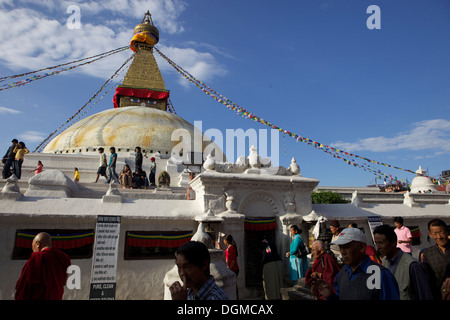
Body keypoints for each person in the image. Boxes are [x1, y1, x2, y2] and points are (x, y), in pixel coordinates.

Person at [314, 227, 400, 300]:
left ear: (361, 247)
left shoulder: (381, 275)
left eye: (347, 247)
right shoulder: (342, 274)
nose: (343, 252)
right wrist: (331, 296)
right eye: (341, 247)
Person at [373, 224, 433, 300]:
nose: (378, 247)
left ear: (393, 242)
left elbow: (424, 295)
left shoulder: (412, 266)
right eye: (376, 243)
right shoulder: (385, 262)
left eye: (381, 243)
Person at [15, 232, 71, 300]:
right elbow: (64, 281)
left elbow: (24, 285)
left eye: (33, 246)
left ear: (38, 244)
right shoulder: (64, 258)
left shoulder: (36, 259)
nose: (33, 250)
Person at [422, 219, 450, 300]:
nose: (439, 237)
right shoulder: (428, 254)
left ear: (447, 231)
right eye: (434, 234)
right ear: (430, 234)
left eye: (442, 232)